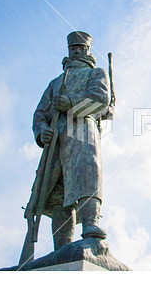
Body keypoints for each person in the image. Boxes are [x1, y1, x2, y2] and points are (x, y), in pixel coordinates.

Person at [32, 31, 110, 251]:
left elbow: (100, 102)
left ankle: (90, 225)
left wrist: (70, 103)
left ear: (87, 50)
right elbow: (39, 114)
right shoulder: (55, 82)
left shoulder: (96, 73)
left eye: (80, 47)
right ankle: (61, 248)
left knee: (87, 176)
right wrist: (42, 131)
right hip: (56, 140)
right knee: (58, 193)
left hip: (82, 131)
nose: (76, 51)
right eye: (72, 48)